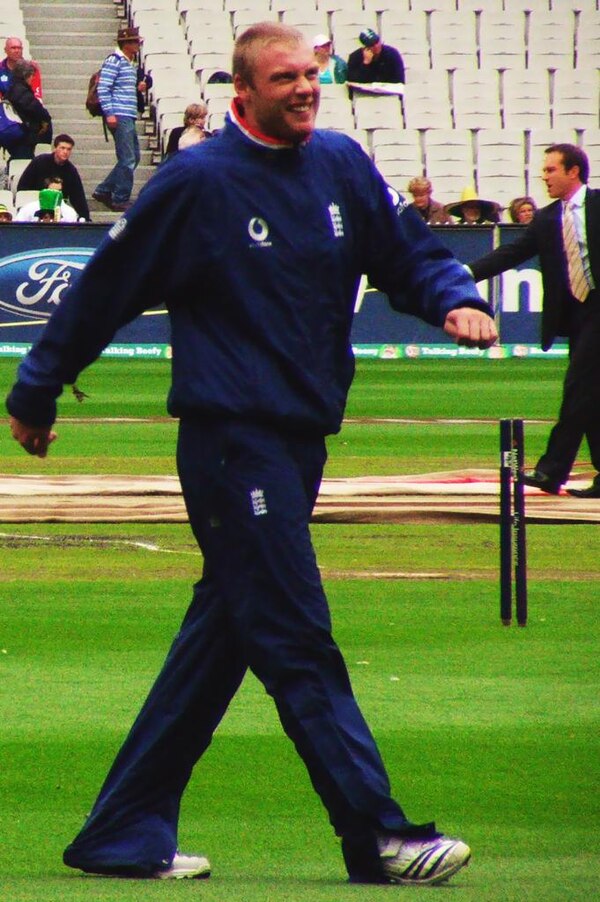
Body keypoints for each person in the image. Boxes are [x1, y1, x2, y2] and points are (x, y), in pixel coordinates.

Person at [6, 22, 497, 887]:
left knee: (224, 635)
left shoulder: (342, 162)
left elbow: (407, 254)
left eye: (311, 73)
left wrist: (453, 297)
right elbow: (104, 289)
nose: (306, 88)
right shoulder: (198, 181)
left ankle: (121, 829)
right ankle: (377, 834)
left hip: (299, 442)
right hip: (234, 444)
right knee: (297, 636)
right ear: (244, 92)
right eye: (285, 78)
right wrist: (37, 390)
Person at [469, 144, 600, 498]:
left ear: (573, 172)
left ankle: (551, 472)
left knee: (578, 391)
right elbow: (511, 253)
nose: (544, 177)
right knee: (591, 396)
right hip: (578, 316)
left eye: (550, 170)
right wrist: (466, 273)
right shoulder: (546, 218)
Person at [92, 25, 147, 213]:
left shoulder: (129, 63)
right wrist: (110, 113)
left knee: (133, 157)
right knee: (128, 158)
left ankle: (104, 189)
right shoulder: (114, 61)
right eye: (135, 41)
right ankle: (120, 197)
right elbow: (103, 88)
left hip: (127, 113)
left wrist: (136, 88)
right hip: (120, 114)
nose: (138, 45)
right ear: (126, 44)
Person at [16, 134, 91, 222]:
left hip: (59, 208)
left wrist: (85, 217)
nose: (65, 152)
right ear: (54, 148)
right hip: (35, 205)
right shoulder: (39, 162)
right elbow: (23, 186)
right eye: (62, 148)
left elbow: (78, 196)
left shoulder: (71, 171)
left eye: (69, 149)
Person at [4, 59, 52, 158]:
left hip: (17, 134)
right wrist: (46, 119)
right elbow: (35, 107)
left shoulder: (13, 88)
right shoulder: (21, 91)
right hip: (23, 135)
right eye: (31, 76)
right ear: (27, 76)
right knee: (23, 158)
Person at [14, 177, 79, 222]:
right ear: (44, 191)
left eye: (59, 191)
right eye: (52, 191)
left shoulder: (69, 212)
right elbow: (18, 226)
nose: (56, 194)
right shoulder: (29, 208)